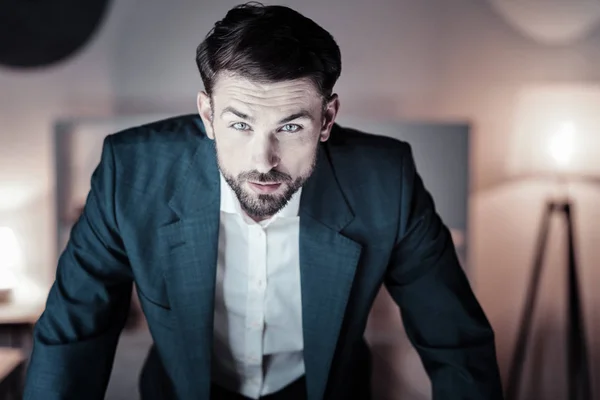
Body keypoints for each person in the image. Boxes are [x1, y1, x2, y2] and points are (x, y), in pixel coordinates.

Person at [23, 3, 503, 399]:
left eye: (291, 126)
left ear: (327, 118)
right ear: (208, 115)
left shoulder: (387, 181)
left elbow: (456, 345)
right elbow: (73, 336)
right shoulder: (130, 173)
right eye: (240, 124)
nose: (264, 160)